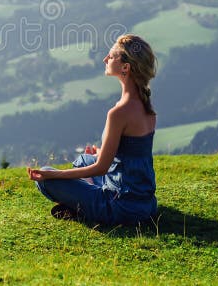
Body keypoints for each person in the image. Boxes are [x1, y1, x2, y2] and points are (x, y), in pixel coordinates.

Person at [27, 33, 158, 226]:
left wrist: (53, 174)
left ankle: (84, 209)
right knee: (83, 159)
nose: (105, 59)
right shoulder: (146, 106)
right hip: (146, 205)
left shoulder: (119, 112)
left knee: (44, 177)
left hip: (120, 207)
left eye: (111, 56)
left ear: (125, 67)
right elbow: (132, 156)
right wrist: (100, 152)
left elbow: (101, 168)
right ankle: (81, 204)